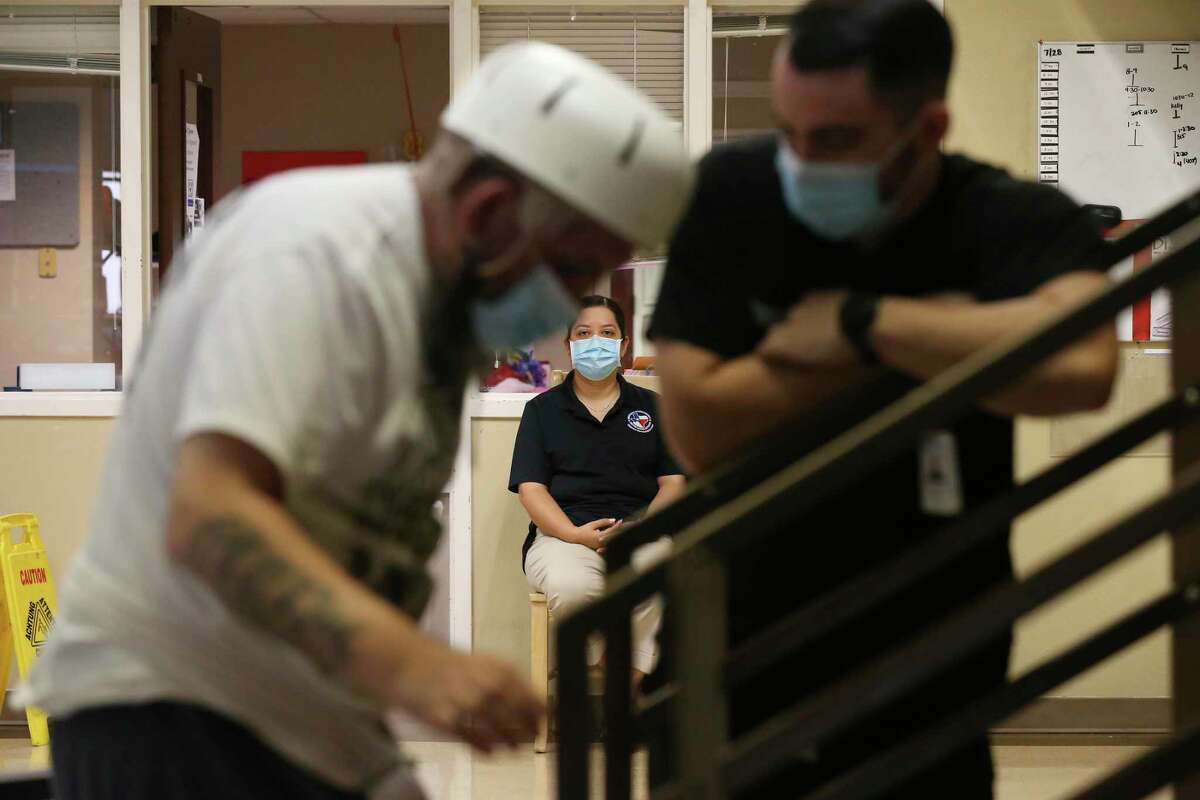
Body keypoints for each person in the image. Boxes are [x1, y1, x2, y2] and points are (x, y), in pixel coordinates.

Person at [19, 42, 692, 800]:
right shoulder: (314, 256)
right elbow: (212, 514)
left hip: (310, 710)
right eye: (570, 269)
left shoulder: (444, 302)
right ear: (488, 211)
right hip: (174, 704)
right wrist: (424, 667)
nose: (573, 308)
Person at [647, 1, 1118, 797]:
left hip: (931, 637)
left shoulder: (1006, 215)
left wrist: (861, 322)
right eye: (788, 132)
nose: (800, 162)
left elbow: (1082, 367)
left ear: (927, 128)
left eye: (835, 141)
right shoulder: (732, 193)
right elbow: (697, 427)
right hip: (740, 636)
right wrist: (950, 337)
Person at [510, 295, 686, 684]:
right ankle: (608, 674)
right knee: (574, 588)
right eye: (584, 333)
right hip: (563, 536)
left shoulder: (654, 407)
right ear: (570, 344)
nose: (595, 341)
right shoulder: (542, 411)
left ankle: (621, 683)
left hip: (639, 533)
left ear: (624, 345)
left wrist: (641, 531)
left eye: (607, 333)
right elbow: (532, 489)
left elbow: (673, 482)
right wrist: (574, 534)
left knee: (659, 570)